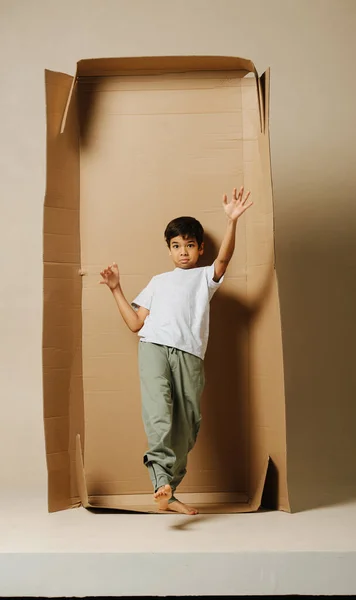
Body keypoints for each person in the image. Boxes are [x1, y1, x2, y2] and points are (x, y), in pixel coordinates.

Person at [99, 186, 252, 515]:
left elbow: (224, 259)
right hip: (153, 348)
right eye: (176, 246)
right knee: (159, 416)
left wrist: (232, 222)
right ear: (169, 249)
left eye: (189, 246)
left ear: (199, 249)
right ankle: (160, 483)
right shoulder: (157, 281)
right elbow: (136, 324)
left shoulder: (203, 277)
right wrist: (116, 289)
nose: (183, 251)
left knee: (186, 426)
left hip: (189, 356)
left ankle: (169, 491)